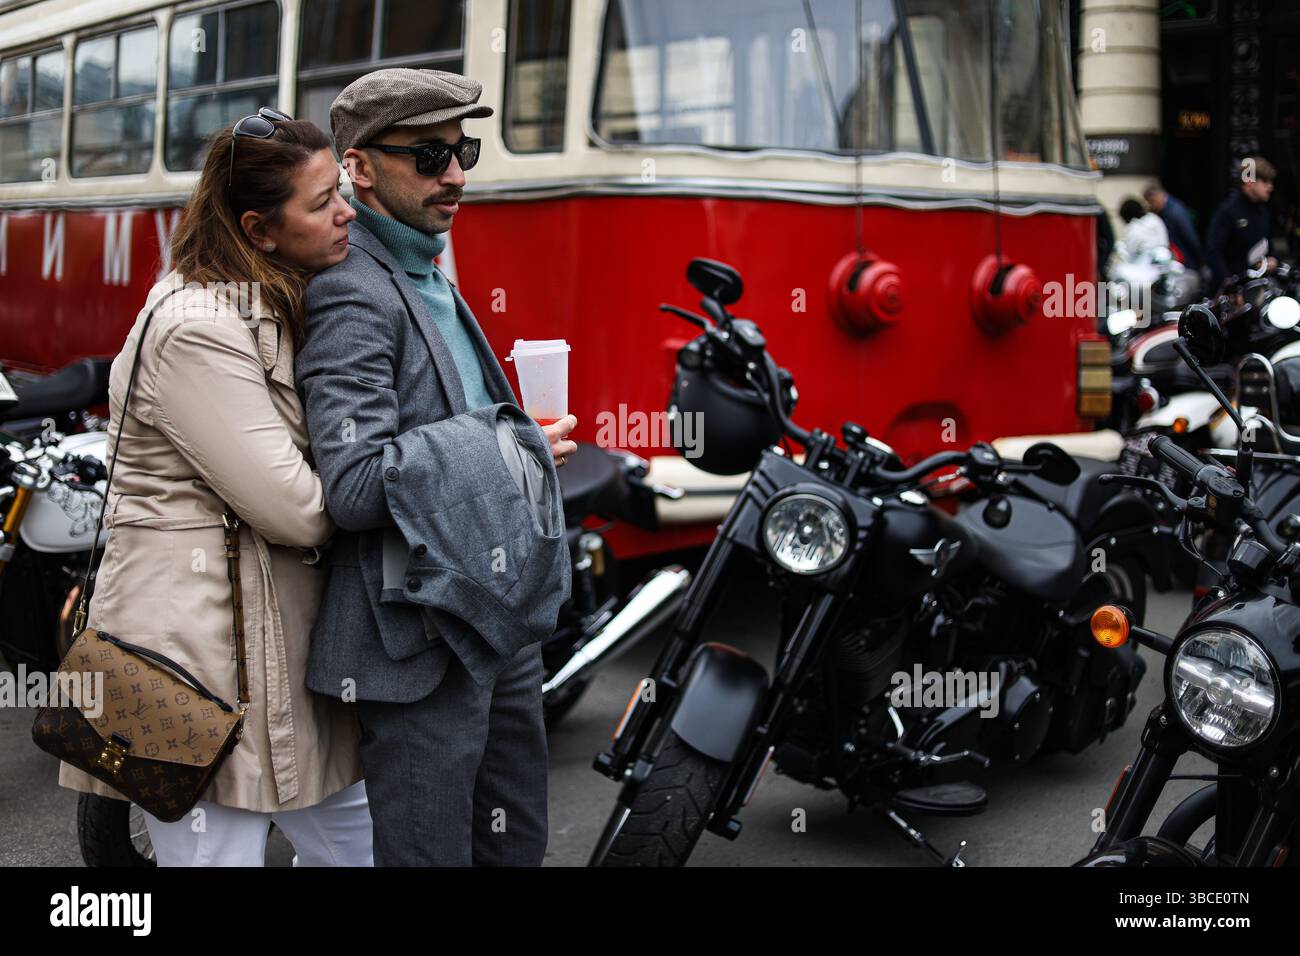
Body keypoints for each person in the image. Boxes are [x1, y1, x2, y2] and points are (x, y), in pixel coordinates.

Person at [57, 111, 373, 867]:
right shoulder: (196, 327)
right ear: (259, 229)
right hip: (185, 670)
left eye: (342, 189)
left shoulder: (269, 296)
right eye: (322, 199)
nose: (346, 211)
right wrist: (389, 478)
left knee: (372, 850)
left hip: (267, 661)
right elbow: (296, 510)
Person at [295, 69, 576, 866]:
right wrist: (506, 443)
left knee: (515, 844)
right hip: (420, 636)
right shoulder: (353, 292)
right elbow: (353, 485)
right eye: (428, 155)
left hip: (497, 623)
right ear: (358, 167)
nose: (455, 175)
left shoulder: (427, 269)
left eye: (464, 151)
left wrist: (522, 448)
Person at [1205, 154, 1276, 289]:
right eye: (1265, 181)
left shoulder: (1263, 212)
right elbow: (1213, 252)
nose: (1270, 187)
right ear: (1249, 181)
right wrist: (1230, 286)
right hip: (1229, 294)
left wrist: (1272, 260)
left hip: (1258, 288)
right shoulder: (1227, 212)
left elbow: (1268, 245)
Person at [1143, 182, 1203, 270]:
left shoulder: (1175, 212)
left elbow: (1190, 237)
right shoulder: (1165, 212)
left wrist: (1200, 261)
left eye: (1151, 202)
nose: (1151, 207)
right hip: (1178, 262)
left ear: (1156, 198)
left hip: (1187, 263)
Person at [1117, 197, 1170, 261]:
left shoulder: (1133, 228)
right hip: (1167, 257)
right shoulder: (1154, 218)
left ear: (1126, 217)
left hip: (1147, 265)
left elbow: (1130, 253)